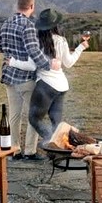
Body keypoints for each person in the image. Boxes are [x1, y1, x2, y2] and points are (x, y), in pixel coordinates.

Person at [7, 8, 89, 143]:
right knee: (56, 122)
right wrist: (80, 47)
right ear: (55, 24)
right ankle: (62, 145)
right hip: (62, 86)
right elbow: (68, 63)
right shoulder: (62, 40)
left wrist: (12, 61)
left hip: (46, 86)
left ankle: (53, 141)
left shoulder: (36, 41)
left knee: (34, 119)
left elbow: (31, 65)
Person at [0, 0, 57, 161]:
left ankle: (14, 150)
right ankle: (30, 151)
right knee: (35, 115)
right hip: (25, 79)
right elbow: (34, 51)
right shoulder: (28, 26)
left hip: (9, 76)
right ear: (31, 6)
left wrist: (12, 55)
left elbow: (0, 47)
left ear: (18, 5)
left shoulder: (6, 23)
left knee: (14, 115)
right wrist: (49, 64)